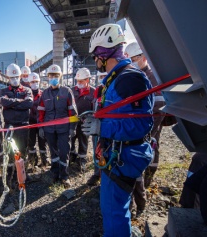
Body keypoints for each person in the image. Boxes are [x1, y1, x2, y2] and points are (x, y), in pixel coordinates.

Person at [82, 23, 154, 237]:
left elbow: (141, 124)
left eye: (96, 56)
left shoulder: (128, 78)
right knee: (114, 208)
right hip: (116, 152)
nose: (96, 61)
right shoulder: (117, 78)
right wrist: (98, 118)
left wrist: (101, 126)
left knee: (114, 211)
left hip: (124, 155)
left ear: (103, 53)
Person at [125, 42, 166, 214]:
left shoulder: (153, 77)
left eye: (133, 60)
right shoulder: (136, 76)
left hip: (148, 125)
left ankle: (147, 180)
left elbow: (159, 106)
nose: (132, 63)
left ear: (143, 57)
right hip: (137, 125)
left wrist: (147, 130)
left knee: (148, 150)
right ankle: (138, 192)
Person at [38, 64, 78, 188]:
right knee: (53, 152)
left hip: (64, 128)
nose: (53, 77)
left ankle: (64, 176)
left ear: (60, 76)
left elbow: (73, 111)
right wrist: (41, 127)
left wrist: (72, 128)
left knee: (64, 152)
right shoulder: (45, 93)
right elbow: (41, 111)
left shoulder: (67, 91)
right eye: (51, 76)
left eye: (56, 75)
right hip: (49, 129)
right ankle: (55, 173)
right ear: (48, 77)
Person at [0, 63, 33, 182]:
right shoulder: (3, 91)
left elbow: (29, 103)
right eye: (12, 77)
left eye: (16, 77)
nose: (14, 79)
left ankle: (23, 174)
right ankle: (11, 175)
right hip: (10, 126)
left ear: (20, 77)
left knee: (23, 150)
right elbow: (4, 102)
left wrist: (12, 104)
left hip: (24, 125)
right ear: (8, 78)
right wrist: (20, 102)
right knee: (9, 152)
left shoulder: (27, 90)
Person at [70, 68, 95, 172]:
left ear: (87, 80)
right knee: (71, 138)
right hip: (73, 121)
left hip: (86, 121)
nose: (79, 83)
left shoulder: (93, 91)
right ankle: (72, 155)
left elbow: (95, 107)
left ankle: (82, 159)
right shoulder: (72, 90)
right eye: (77, 81)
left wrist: (92, 119)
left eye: (81, 81)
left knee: (83, 140)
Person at [27, 72, 48, 167]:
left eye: (36, 81)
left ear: (39, 82)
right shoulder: (26, 94)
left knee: (42, 143)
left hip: (41, 123)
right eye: (32, 82)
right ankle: (33, 161)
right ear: (29, 83)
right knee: (31, 143)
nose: (34, 83)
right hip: (30, 123)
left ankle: (44, 160)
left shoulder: (43, 94)